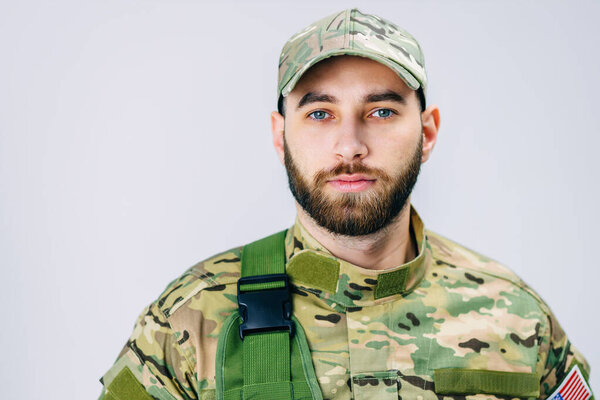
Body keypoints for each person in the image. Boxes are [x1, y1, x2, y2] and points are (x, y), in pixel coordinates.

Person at [98, 8, 593, 400]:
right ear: (280, 135)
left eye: (381, 111)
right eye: (320, 113)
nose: (350, 144)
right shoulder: (189, 319)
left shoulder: (516, 316)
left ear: (427, 132)